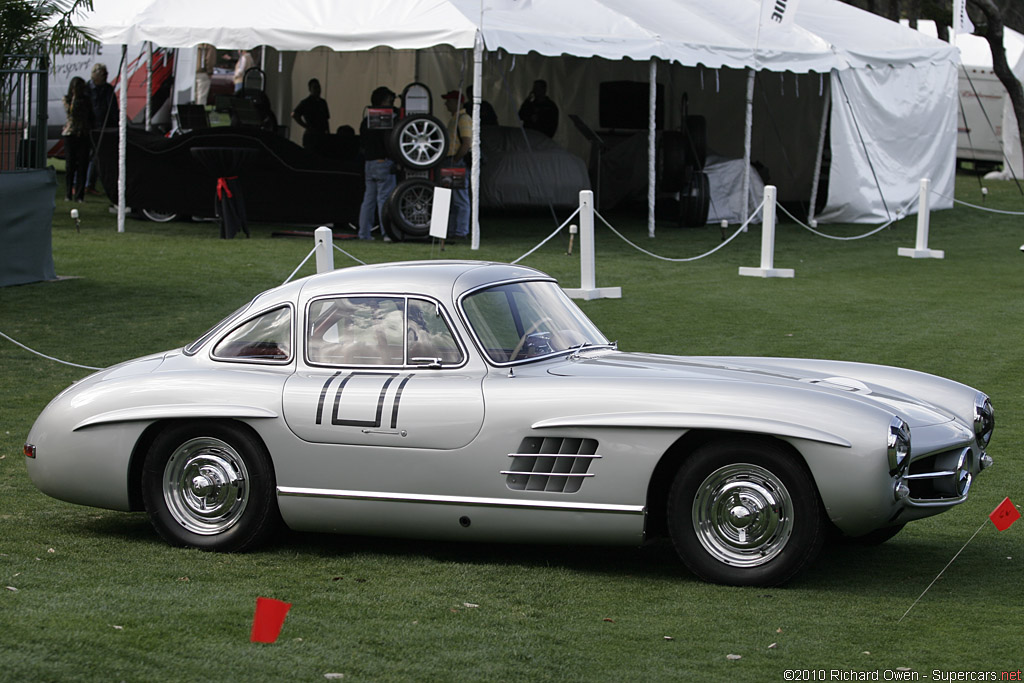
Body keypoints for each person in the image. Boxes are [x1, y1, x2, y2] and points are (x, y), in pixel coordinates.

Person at [357, 86, 398, 241]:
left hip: (369, 162)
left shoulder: (366, 119)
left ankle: (364, 233)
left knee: (368, 200)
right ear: (383, 101)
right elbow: (389, 141)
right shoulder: (385, 119)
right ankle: (387, 233)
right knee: (384, 199)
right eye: (389, 100)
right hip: (383, 162)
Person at [442, 89, 473, 240]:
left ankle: (461, 231)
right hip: (452, 161)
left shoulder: (463, 118)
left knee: (460, 198)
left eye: (449, 100)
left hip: (455, 162)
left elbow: (467, 142)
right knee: (452, 199)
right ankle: (453, 231)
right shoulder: (455, 118)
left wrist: (455, 160)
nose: (446, 103)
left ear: (458, 102)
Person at [85, 63, 116, 194]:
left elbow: (113, 108)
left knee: (97, 157)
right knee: (87, 156)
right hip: (90, 127)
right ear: (95, 74)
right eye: (104, 74)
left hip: (104, 128)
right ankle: (84, 183)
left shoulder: (108, 89)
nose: (106, 77)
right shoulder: (87, 89)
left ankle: (90, 184)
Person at [62, 77, 93, 203]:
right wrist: (74, 99)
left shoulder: (86, 100)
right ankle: (68, 193)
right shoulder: (67, 99)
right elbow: (71, 113)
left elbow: (89, 115)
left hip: (83, 134)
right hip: (71, 134)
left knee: (82, 165)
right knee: (70, 165)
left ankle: (79, 195)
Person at [292, 78, 330, 150]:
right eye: (315, 87)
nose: (318, 90)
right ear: (310, 89)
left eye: (318, 87)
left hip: (319, 134)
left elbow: (326, 119)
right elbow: (294, 114)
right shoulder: (306, 102)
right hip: (312, 136)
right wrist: (306, 126)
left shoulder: (322, 102)